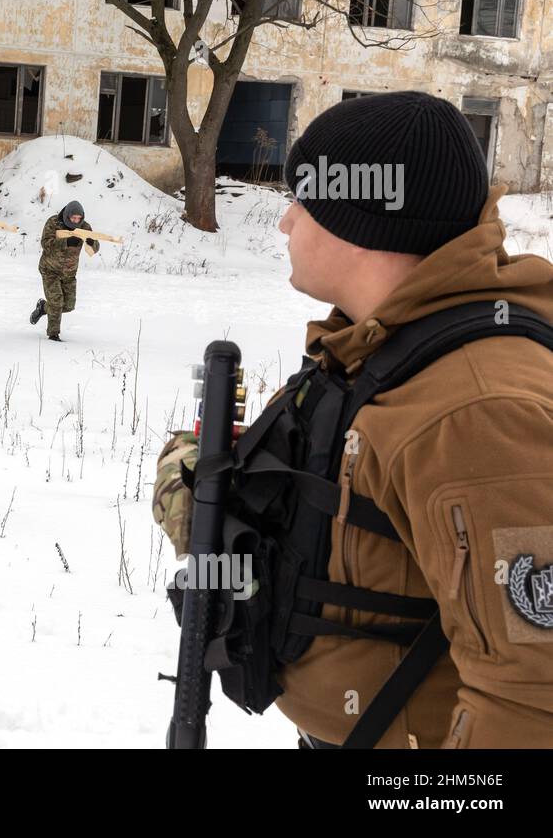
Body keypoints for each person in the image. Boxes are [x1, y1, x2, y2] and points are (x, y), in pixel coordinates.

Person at [154, 91, 553, 748]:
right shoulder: (381, 347)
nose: (285, 222)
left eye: (303, 201)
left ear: (363, 223)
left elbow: (533, 689)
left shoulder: (478, 410)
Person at [30, 200, 98, 341]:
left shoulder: (85, 227)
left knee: (68, 306)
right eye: (73, 218)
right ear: (67, 216)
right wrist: (65, 242)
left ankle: (43, 307)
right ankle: (53, 335)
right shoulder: (54, 222)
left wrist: (92, 243)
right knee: (56, 302)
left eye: (79, 218)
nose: (76, 221)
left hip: (69, 274)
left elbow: (95, 248)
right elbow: (45, 243)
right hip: (50, 269)